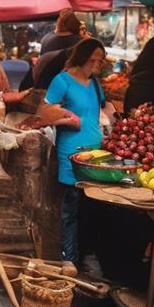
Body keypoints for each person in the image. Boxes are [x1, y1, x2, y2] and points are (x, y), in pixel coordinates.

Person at [42, 38, 107, 268]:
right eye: (93, 59)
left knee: (91, 206)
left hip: (96, 152)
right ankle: (68, 257)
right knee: (71, 205)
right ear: (82, 58)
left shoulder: (96, 84)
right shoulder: (63, 81)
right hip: (71, 151)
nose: (97, 64)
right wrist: (68, 121)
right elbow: (45, 113)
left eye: (100, 60)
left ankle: (85, 253)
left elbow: (101, 109)